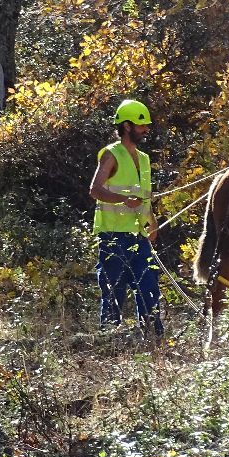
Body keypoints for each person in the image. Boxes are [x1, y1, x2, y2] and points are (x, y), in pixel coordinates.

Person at [89, 99, 164, 336]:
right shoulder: (111, 154)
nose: (146, 130)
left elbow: (143, 197)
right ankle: (110, 339)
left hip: (138, 236)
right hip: (113, 236)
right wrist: (121, 199)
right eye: (142, 125)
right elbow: (95, 189)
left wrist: (152, 222)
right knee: (114, 289)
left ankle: (153, 337)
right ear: (127, 126)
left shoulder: (144, 159)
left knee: (149, 286)